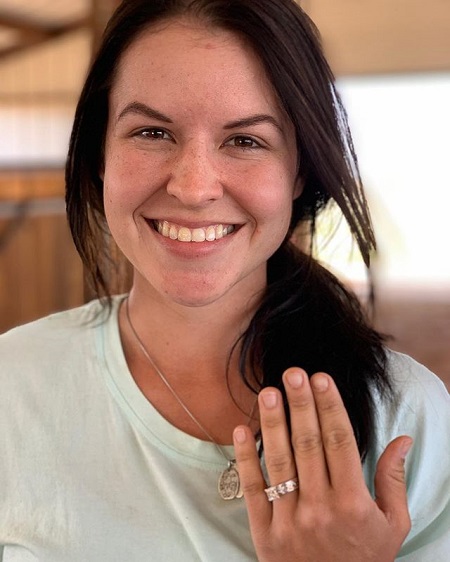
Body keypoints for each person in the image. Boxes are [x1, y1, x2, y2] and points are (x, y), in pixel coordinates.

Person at [0, 0, 448, 560]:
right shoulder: (13, 386)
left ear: (299, 170)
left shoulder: (405, 418)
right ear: (99, 157)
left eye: (245, 141)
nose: (193, 187)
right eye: (152, 132)